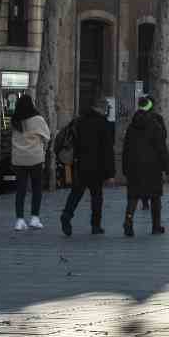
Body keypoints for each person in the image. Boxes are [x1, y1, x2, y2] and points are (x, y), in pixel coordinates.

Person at [60, 95, 115, 236]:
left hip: (80, 164)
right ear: (102, 108)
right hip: (97, 167)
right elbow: (107, 151)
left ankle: (66, 215)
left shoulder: (80, 121)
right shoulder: (103, 124)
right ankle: (95, 225)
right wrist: (110, 173)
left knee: (76, 193)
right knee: (96, 196)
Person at [122, 95, 169, 237]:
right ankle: (156, 226)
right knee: (155, 197)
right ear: (151, 107)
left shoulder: (132, 126)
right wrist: (168, 169)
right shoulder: (155, 124)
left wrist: (125, 168)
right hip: (152, 167)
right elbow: (161, 147)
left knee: (133, 197)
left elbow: (126, 148)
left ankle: (128, 222)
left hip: (134, 166)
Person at [10, 94, 51, 231]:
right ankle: (34, 217)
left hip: (18, 159)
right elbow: (47, 136)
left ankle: (19, 219)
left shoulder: (15, 120)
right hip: (35, 158)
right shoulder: (37, 119)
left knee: (20, 190)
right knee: (36, 188)